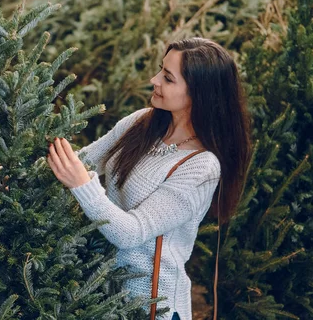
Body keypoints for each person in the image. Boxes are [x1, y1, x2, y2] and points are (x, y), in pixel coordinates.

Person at [46, 37, 252, 319]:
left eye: (167, 78)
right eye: (160, 70)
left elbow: (132, 232)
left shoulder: (201, 166)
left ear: (199, 94)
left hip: (149, 305)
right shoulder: (142, 122)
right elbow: (82, 160)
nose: (154, 80)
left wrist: (83, 185)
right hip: (98, 291)